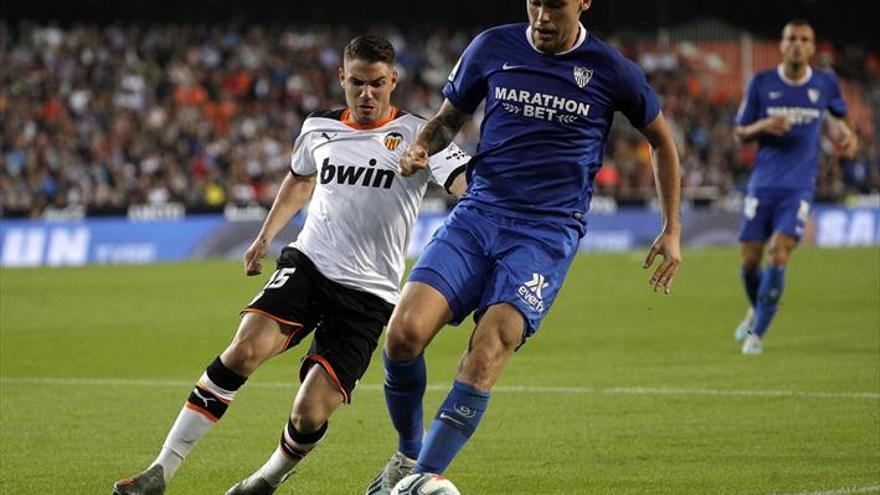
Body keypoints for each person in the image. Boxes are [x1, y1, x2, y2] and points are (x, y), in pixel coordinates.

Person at [112, 33, 469, 495]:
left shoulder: (423, 135)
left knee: (309, 411)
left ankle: (265, 480)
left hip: (369, 294)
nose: (366, 94)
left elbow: (466, 184)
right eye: (357, 82)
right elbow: (300, 179)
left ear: (393, 80)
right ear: (341, 78)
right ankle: (159, 470)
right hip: (309, 264)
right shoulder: (319, 126)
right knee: (244, 348)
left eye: (377, 84)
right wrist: (264, 236)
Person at [365, 1, 682, 493]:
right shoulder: (493, 46)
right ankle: (409, 456)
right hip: (479, 214)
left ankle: (423, 480)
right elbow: (449, 117)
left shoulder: (612, 70)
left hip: (545, 233)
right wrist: (423, 144)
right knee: (402, 335)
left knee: (490, 347)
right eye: (534, 3)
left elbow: (661, 140)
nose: (541, 17)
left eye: (555, 6)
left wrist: (672, 226)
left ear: (583, 3)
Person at [733, 19, 858, 355]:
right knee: (748, 262)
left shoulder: (825, 84)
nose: (798, 45)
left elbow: (838, 121)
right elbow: (740, 132)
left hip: (798, 188)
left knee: (778, 251)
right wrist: (765, 124)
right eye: (792, 39)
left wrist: (848, 137)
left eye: (805, 39)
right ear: (782, 45)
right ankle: (757, 307)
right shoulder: (761, 83)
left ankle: (757, 335)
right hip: (762, 185)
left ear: (813, 48)